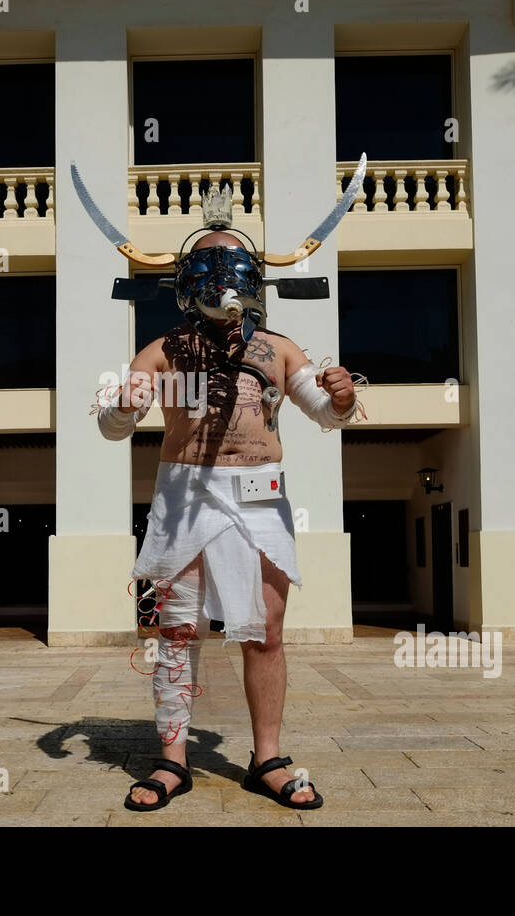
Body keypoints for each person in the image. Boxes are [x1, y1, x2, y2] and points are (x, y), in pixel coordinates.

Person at [96, 230, 357, 811]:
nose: (223, 276)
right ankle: (172, 760)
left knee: (265, 631)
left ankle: (267, 758)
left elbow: (325, 413)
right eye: (210, 260)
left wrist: (339, 396)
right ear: (189, 278)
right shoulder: (162, 350)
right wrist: (121, 403)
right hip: (183, 495)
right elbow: (116, 427)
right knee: (178, 630)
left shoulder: (280, 348)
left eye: (230, 259)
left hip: (258, 498)